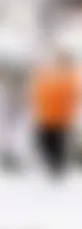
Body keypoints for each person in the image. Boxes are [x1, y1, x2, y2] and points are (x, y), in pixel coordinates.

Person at [29, 49, 78, 177]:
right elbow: (38, 92)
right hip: (47, 117)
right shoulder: (48, 74)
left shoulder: (69, 77)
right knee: (46, 143)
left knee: (54, 145)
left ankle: (56, 167)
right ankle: (54, 166)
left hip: (59, 119)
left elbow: (72, 97)